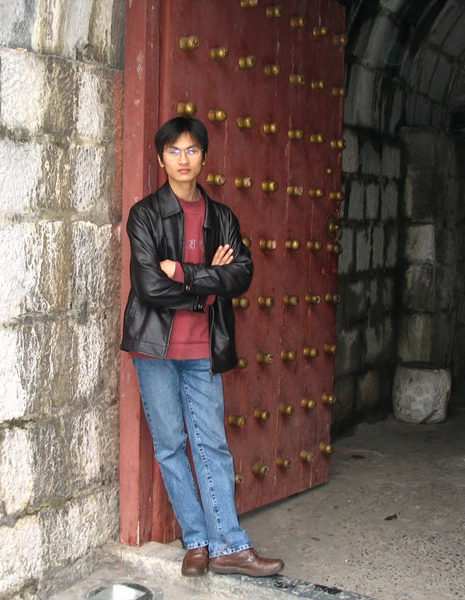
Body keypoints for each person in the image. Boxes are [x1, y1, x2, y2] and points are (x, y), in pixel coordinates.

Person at [121, 116, 284, 577]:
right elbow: (149, 287)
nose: (183, 159)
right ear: (161, 159)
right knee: (171, 445)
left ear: (204, 158)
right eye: (174, 151)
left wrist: (184, 273)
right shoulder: (145, 215)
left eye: (191, 150)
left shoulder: (222, 218)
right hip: (154, 348)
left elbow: (241, 276)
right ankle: (196, 540)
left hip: (202, 349)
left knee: (211, 443)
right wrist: (208, 285)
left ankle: (229, 545)